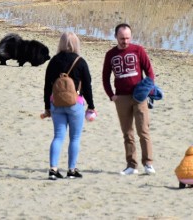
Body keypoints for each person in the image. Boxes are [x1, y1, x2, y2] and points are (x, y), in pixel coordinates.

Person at [102, 23, 156, 176]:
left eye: (127, 38)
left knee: (143, 131)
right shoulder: (110, 55)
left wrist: (147, 91)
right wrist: (111, 95)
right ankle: (131, 165)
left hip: (139, 97)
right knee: (127, 133)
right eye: (121, 38)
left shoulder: (138, 50)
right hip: (122, 98)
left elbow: (150, 73)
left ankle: (148, 164)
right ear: (116, 37)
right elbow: (105, 78)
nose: (124, 41)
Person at [42, 32, 96, 180]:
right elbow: (88, 86)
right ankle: (71, 170)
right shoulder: (80, 61)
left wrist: (47, 106)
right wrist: (91, 105)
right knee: (75, 138)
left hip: (56, 103)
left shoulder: (53, 61)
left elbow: (47, 86)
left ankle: (53, 169)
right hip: (75, 104)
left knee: (58, 137)